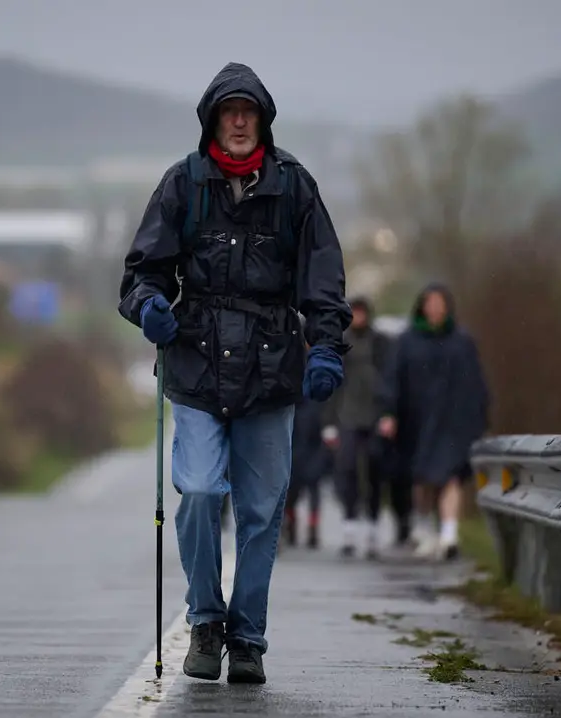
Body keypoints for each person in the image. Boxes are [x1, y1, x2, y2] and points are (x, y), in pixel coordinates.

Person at [117, 62, 351, 684]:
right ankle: (204, 620)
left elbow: (324, 282)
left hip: (272, 372)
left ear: (264, 120)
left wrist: (326, 347)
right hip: (196, 365)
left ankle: (246, 637)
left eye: (249, 111)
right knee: (196, 492)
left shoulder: (294, 188)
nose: (240, 120)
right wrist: (148, 308)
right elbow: (142, 272)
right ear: (213, 120)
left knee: (260, 510)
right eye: (229, 111)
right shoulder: (183, 185)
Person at [376, 282, 490, 561]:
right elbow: (392, 379)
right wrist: (389, 413)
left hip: (453, 422)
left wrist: (480, 419)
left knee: (451, 476)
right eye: (430, 303)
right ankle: (424, 527)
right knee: (423, 479)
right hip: (417, 422)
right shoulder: (407, 341)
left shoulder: (462, 342)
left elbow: (476, 384)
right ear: (422, 307)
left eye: (440, 303)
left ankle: (450, 534)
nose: (435, 309)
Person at [321, 296, 408, 559]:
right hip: (346, 416)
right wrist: (328, 423)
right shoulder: (339, 343)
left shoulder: (382, 343)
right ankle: (349, 526)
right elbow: (331, 385)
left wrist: (389, 414)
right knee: (346, 469)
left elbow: (392, 380)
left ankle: (371, 527)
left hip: (374, 416)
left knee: (374, 470)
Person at [284, 339, 328, 550]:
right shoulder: (288, 355)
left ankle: (313, 526)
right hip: (292, 418)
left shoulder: (323, 356)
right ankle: (290, 521)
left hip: (315, 425)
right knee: (290, 482)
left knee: (314, 481)